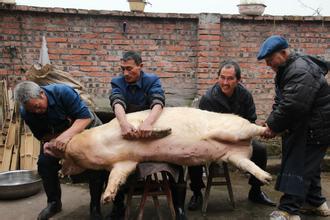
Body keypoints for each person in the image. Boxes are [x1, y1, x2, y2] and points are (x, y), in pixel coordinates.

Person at [187, 60, 276, 211]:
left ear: (238, 80)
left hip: (239, 140)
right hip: (214, 141)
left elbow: (251, 120)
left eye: (230, 79)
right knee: (193, 152)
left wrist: (240, 137)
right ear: (218, 77)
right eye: (222, 77)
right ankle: (196, 192)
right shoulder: (208, 98)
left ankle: (255, 191)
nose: (225, 82)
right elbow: (202, 128)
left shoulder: (245, 95)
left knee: (260, 150)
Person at [258, 35, 330, 220]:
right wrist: (270, 121)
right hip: (308, 126)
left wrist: (273, 126)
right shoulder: (285, 69)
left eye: (270, 59)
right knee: (310, 166)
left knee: (301, 168)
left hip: (316, 128)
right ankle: (316, 203)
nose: (268, 64)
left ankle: (289, 210)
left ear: (283, 53)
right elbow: (281, 100)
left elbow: (293, 105)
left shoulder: (300, 70)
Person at [108, 51, 187, 220]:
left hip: (152, 134)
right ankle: (118, 207)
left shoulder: (152, 80)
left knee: (177, 160)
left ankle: (179, 208)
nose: (125, 73)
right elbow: (117, 102)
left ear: (140, 66)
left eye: (129, 69)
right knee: (113, 162)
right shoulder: (117, 82)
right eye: (122, 69)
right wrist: (123, 123)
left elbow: (158, 101)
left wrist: (149, 122)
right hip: (129, 135)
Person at [14, 81, 106, 220]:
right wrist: (51, 142)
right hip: (60, 138)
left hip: (88, 131)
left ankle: (95, 208)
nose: (37, 111)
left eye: (37, 106)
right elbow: (43, 136)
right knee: (45, 164)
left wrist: (65, 137)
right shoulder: (26, 112)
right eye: (32, 110)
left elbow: (85, 118)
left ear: (42, 93)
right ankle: (54, 203)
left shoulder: (63, 92)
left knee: (95, 165)